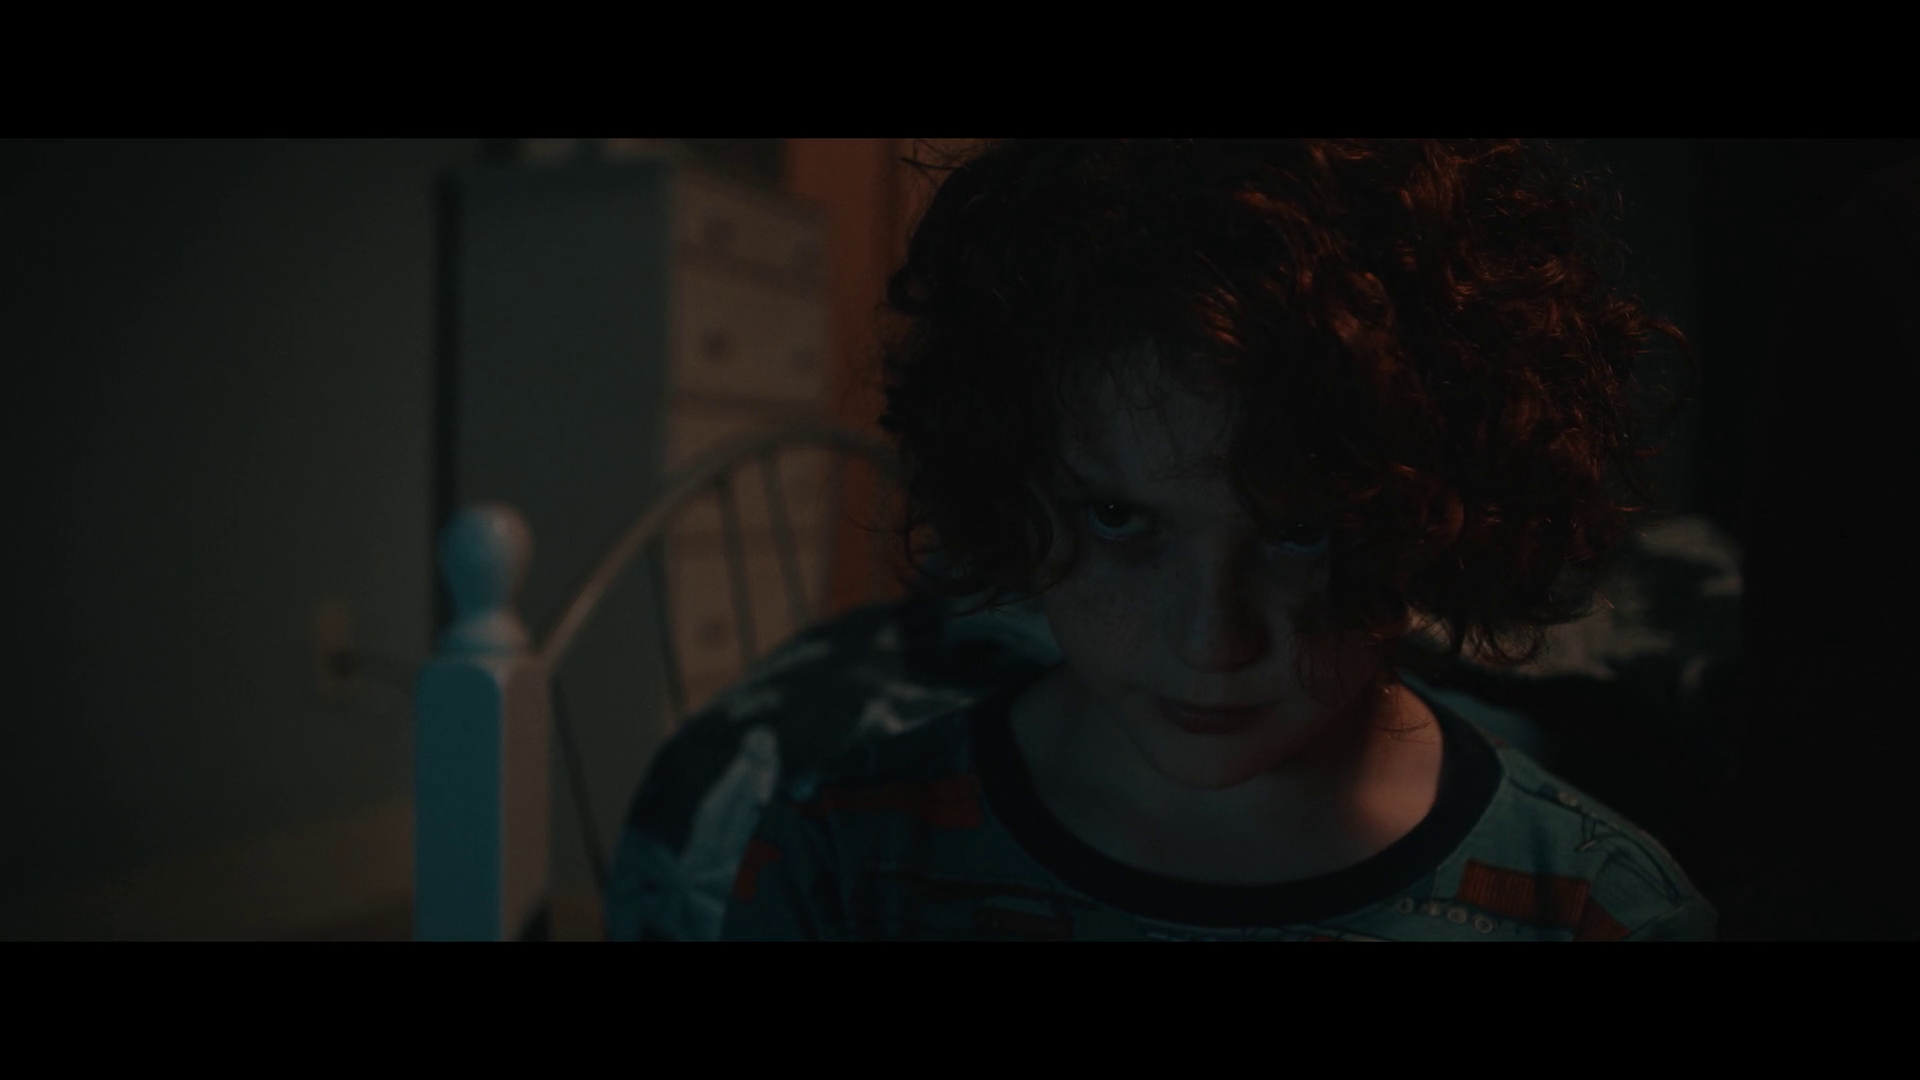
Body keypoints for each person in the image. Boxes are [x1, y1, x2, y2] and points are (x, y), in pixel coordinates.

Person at [719, 139, 1715, 941]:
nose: (1210, 644)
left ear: (1435, 514)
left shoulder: (1594, 908)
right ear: (1017, 483)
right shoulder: (842, 865)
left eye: (1301, 534)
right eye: (1120, 518)